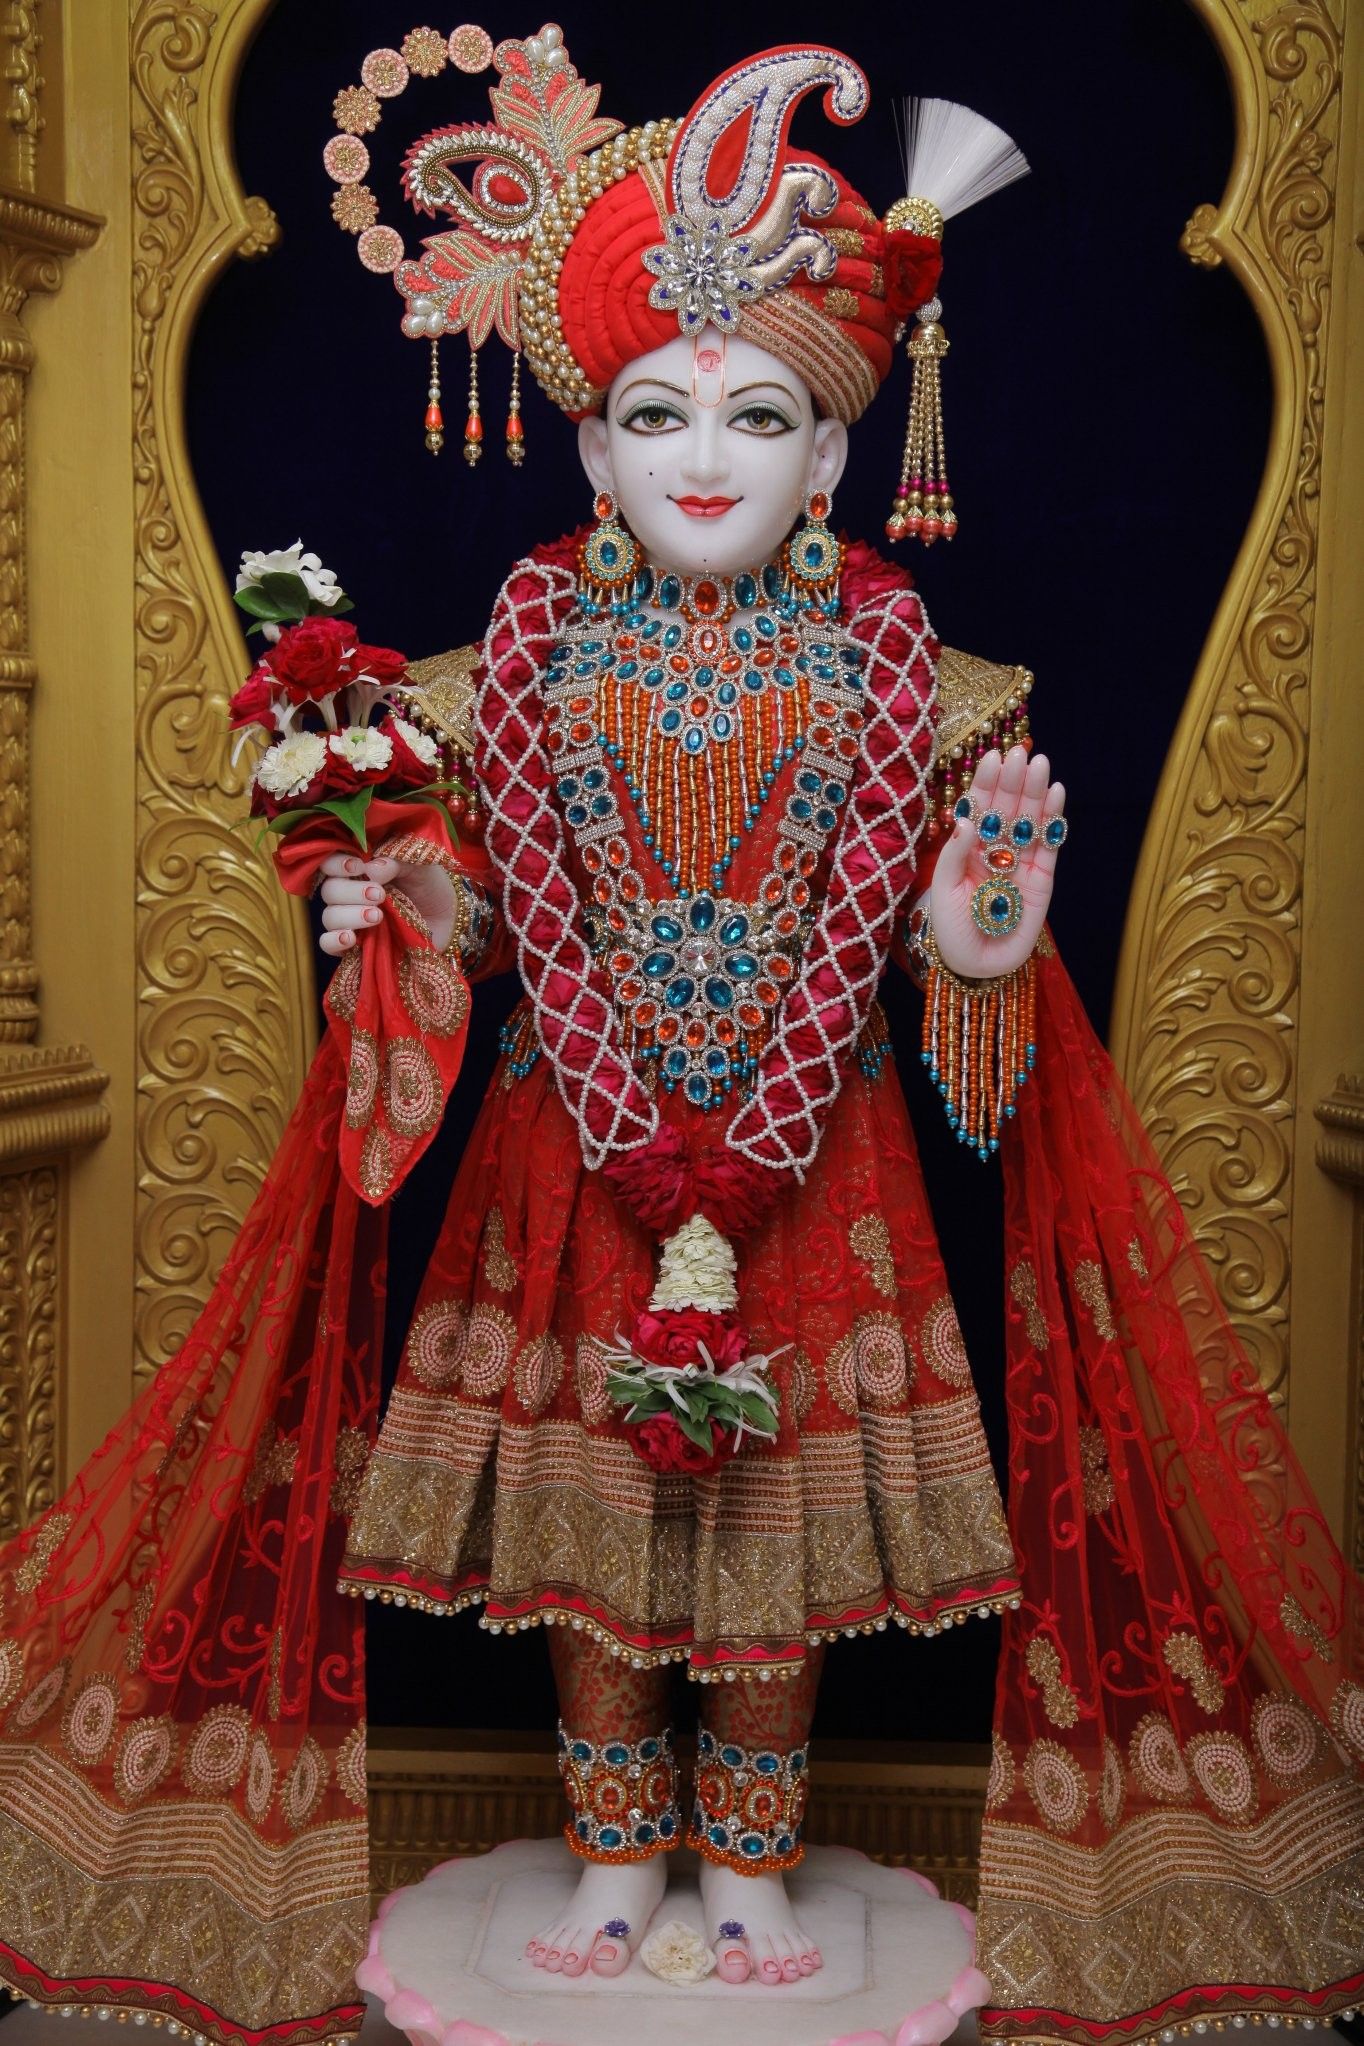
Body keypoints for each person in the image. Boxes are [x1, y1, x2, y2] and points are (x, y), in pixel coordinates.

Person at [1, 30, 1359, 2046]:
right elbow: (454, 971)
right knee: (593, 1526)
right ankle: (617, 1857)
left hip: (828, 1181)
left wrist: (983, 936)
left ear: (831, 460)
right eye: (653, 413)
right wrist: (394, 916)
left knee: (771, 1548)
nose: (703, 454)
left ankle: (743, 1870)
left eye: (755, 415)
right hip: (572, 1164)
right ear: (587, 451)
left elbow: (976, 1055)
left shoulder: (931, 682)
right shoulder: (491, 682)